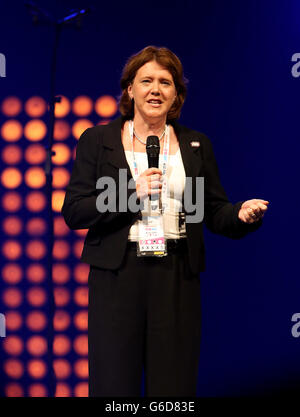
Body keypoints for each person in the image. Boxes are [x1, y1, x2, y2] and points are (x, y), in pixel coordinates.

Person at [61, 45, 269, 397]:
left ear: (176, 95)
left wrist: (240, 214)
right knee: (114, 384)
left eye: (165, 82)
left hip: (176, 274)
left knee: (173, 386)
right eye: (146, 81)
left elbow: (212, 212)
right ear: (130, 89)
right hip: (117, 274)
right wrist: (129, 193)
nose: (155, 89)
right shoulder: (99, 141)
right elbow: (75, 210)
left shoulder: (194, 145)